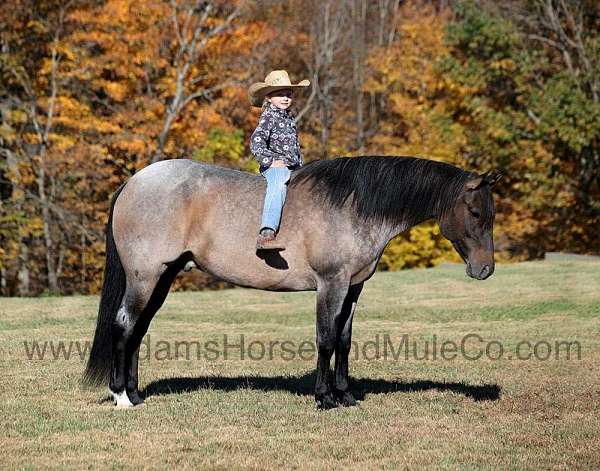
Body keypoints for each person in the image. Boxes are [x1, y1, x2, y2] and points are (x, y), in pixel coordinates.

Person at [248, 70, 310, 250]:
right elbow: (256, 141)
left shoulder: (289, 117)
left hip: (294, 166)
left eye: (289, 94)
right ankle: (266, 233)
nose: (286, 98)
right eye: (280, 94)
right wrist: (270, 161)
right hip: (275, 167)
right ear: (268, 97)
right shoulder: (269, 116)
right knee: (279, 182)